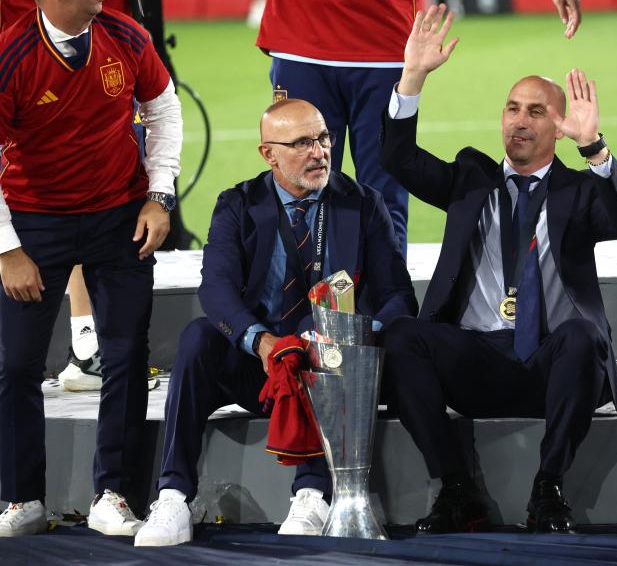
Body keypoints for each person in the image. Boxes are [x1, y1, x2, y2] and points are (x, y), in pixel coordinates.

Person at [379, 4, 617, 534]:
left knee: (582, 336)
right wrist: (412, 78)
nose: (520, 121)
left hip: (550, 363)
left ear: (560, 125)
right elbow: (397, 159)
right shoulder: (470, 177)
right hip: (475, 356)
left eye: (536, 112)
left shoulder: (576, 190)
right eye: (512, 108)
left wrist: (594, 148)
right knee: (404, 337)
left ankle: (548, 489)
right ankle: (456, 489)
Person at [133, 98, 417, 547]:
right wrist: (261, 342)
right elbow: (216, 290)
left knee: (323, 342)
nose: (319, 152)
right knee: (198, 338)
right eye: (302, 143)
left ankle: (312, 493)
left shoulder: (362, 204)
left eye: (323, 138)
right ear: (269, 154)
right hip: (260, 365)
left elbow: (398, 296)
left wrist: (352, 338)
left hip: (330, 370)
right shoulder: (238, 204)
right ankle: (173, 496)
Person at [0, 0, 182, 538]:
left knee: (127, 353)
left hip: (118, 215)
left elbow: (163, 106)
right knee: (17, 364)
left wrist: (160, 194)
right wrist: (7, 248)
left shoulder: (126, 34)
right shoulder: (11, 55)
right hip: (36, 221)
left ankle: (116, 495)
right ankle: (22, 498)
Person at [256, 0, 582, 257]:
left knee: (384, 193)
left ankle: (388, 305)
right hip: (299, 38)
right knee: (299, 189)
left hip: (380, 42)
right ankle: (295, 308)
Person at [0, 0, 136, 393]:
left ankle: (85, 341)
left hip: (81, 35)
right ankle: (85, 344)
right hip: (29, 49)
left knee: (79, 184)